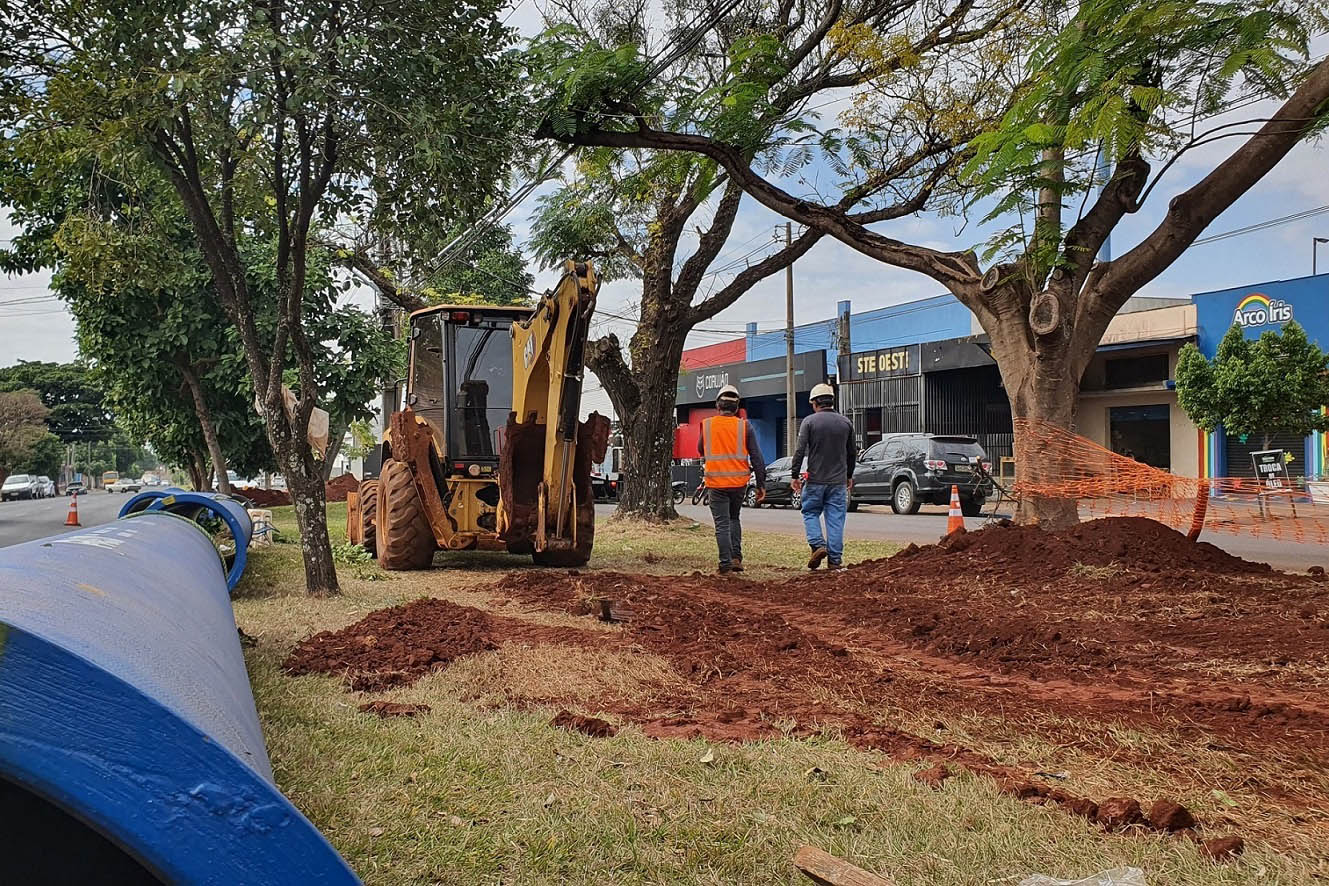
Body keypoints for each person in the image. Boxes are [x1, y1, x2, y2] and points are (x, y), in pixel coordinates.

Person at [697, 384, 766, 573]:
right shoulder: (744, 426)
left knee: (722, 523)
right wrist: (761, 484)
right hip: (739, 484)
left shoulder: (708, 424)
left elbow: (701, 448)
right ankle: (736, 558)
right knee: (734, 519)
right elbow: (757, 457)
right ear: (737, 408)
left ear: (718, 406)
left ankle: (725, 564)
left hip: (716, 483)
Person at [791, 383, 857, 570]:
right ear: (831, 401)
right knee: (836, 518)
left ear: (814, 403)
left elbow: (799, 450)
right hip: (838, 482)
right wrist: (849, 475)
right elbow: (852, 452)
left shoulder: (809, 422)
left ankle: (818, 545)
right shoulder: (846, 423)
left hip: (815, 480)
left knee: (810, 512)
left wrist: (794, 474)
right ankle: (835, 561)